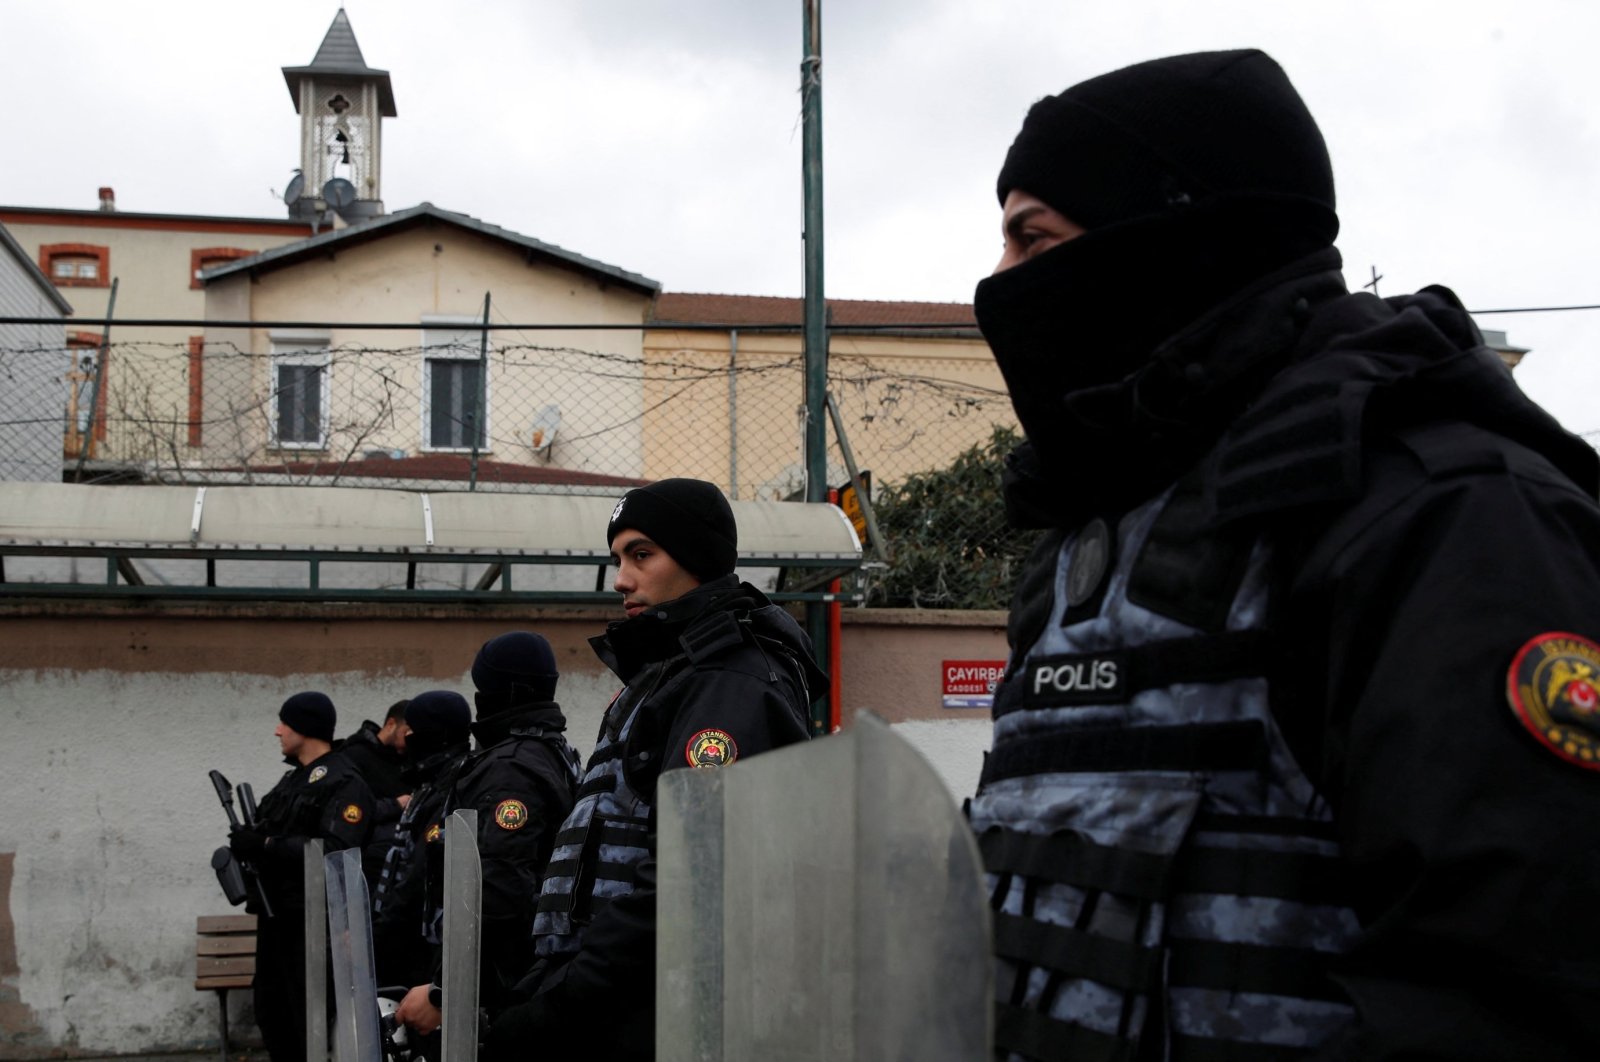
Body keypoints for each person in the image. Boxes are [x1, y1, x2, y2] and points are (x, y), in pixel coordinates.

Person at [966, 48, 1600, 1061]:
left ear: (1175, 240)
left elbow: (1524, 988)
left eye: (1031, 237)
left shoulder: (1442, 514)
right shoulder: (1092, 543)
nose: (999, 284)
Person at [480, 477, 826, 1061]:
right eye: (618, 558)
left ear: (696, 557)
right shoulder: (675, 675)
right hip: (625, 1006)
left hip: (660, 1017)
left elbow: (695, 879)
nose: (621, 579)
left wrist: (563, 1004)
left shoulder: (727, 683)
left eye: (642, 554)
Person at [392, 634, 581, 1037]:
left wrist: (448, 991)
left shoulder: (509, 768)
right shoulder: (549, 753)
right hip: (519, 977)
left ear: (505, 691)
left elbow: (497, 891)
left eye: (483, 688)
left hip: (501, 986)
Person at [227, 691, 375, 1062]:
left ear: (305, 728)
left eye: (285, 723)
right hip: (274, 918)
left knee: (306, 1018)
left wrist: (266, 844)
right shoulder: (292, 781)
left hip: (313, 924)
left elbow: (336, 850)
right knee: (271, 1013)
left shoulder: (345, 781)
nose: (278, 731)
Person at [371, 690, 474, 1058]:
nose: (406, 739)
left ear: (435, 733)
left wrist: (379, 939)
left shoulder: (453, 785)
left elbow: (418, 878)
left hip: (426, 958)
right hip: (412, 955)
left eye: (413, 729)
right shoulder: (429, 784)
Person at [340, 700, 412, 892]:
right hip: (363, 862)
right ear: (391, 724)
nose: (410, 739)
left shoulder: (408, 760)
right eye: (407, 732)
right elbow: (350, 811)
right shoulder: (354, 756)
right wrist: (396, 805)